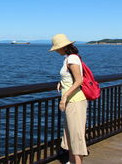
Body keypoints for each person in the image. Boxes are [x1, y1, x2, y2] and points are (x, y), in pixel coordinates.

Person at [50, 34, 88, 164]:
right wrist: (61, 82)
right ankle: (71, 161)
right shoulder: (68, 58)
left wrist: (64, 96)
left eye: (56, 48)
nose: (55, 50)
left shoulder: (72, 59)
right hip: (72, 101)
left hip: (75, 101)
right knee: (71, 133)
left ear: (63, 47)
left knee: (76, 135)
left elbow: (79, 81)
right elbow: (70, 77)